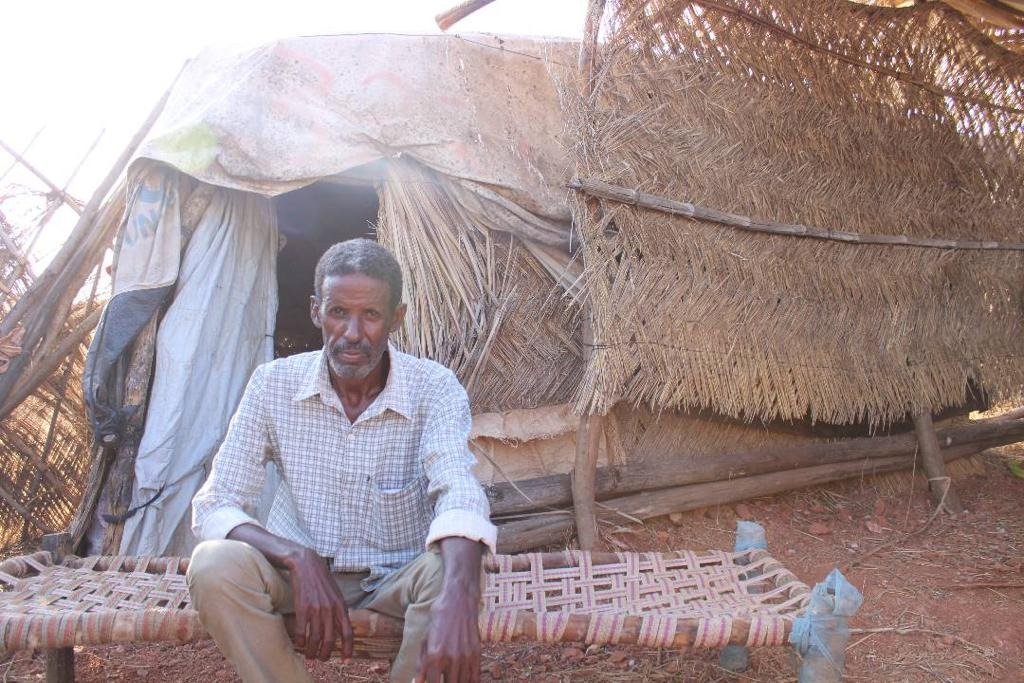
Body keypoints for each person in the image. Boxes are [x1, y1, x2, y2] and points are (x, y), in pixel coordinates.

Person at [187, 239, 495, 683]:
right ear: (317, 312)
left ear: (396, 318)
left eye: (370, 315)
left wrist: (462, 594)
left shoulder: (434, 388)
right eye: (338, 312)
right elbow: (216, 502)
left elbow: (458, 490)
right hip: (293, 578)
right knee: (213, 565)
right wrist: (297, 557)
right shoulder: (273, 385)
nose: (352, 333)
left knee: (452, 569)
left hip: (396, 576)